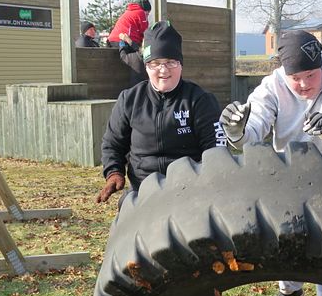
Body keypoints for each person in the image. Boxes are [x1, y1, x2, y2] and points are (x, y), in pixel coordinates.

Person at [220, 29, 322, 296]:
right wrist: (237, 132)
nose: (303, 84)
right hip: (293, 173)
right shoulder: (272, 87)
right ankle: (290, 288)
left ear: (321, 68)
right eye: (296, 78)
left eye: (311, 76)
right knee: (288, 236)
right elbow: (255, 127)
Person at [97, 20, 227, 204]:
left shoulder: (200, 100)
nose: (163, 70)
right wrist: (113, 172)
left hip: (189, 193)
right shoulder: (130, 99)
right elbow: (112, 144)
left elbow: (216, 149)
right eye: (155, 63)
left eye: (170, 62)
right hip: (142, 193)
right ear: (146, 66)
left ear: (181, 64)